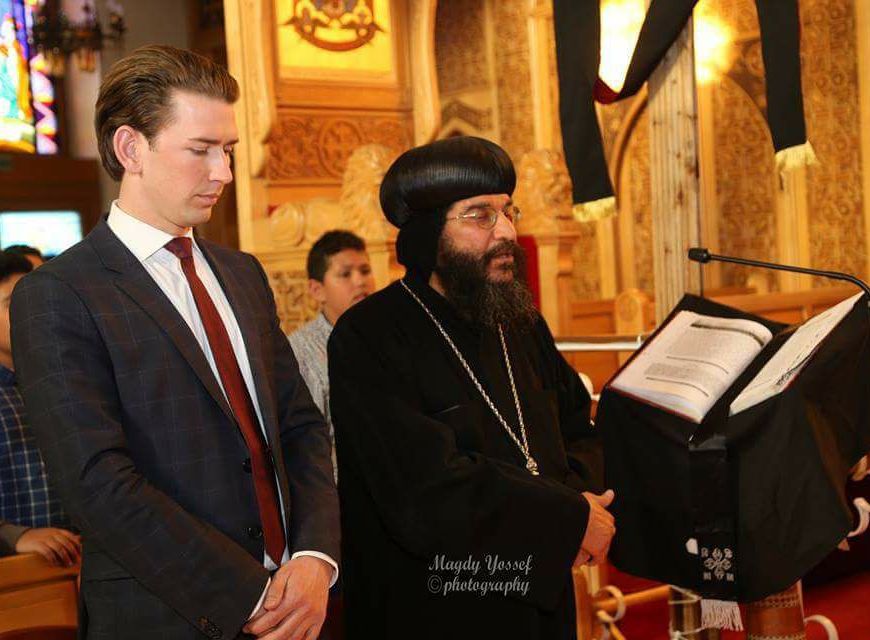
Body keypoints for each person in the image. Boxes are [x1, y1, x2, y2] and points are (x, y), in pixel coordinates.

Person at [11, 45, 339, 640]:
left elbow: (300, 426)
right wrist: (248, 593)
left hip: (299, 601)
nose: (224, 173)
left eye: (228, 150)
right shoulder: (59, 293)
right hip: (168, 614)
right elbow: (97, 482)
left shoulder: (242, 273)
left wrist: (315, 557)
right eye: (201, 149)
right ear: (130, 148)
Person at [328, 136, 615, 640]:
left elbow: (576, 424)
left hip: (540, 594)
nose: (507, 233)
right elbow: (423, 488)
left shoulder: (520, 321)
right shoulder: (369, 335)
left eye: (508, 211)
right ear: (427, 234)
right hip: (436, 604)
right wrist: (567, 519)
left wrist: (582, 504)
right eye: (480, 215)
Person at [0, 251, 79, 567]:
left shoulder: (66, 380)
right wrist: (13, 535)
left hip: (82, 563)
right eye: (12, 304)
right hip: (19, 576)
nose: (29, 313)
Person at [288, 230, 375, 481]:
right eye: (345, 274)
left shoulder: (389, 336)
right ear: (317, 290)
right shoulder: (299, 352)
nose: (360, 282)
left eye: (365, 271)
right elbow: (307, 443)